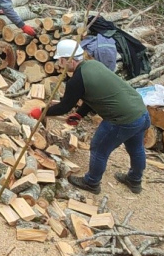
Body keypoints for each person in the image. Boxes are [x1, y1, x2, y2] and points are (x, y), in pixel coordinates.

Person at [29, 40, 150, 194]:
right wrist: (80, 114)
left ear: (70, 60)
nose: (60, 65)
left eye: (62, 61)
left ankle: (91, 182)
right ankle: (135, 180)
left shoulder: (76, 80)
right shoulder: (94, 65)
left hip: (122, 119)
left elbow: (65, 106)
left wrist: (42, 112)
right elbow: (96, 95)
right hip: (140, 112)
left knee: (99, 148)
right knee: (136, 148)